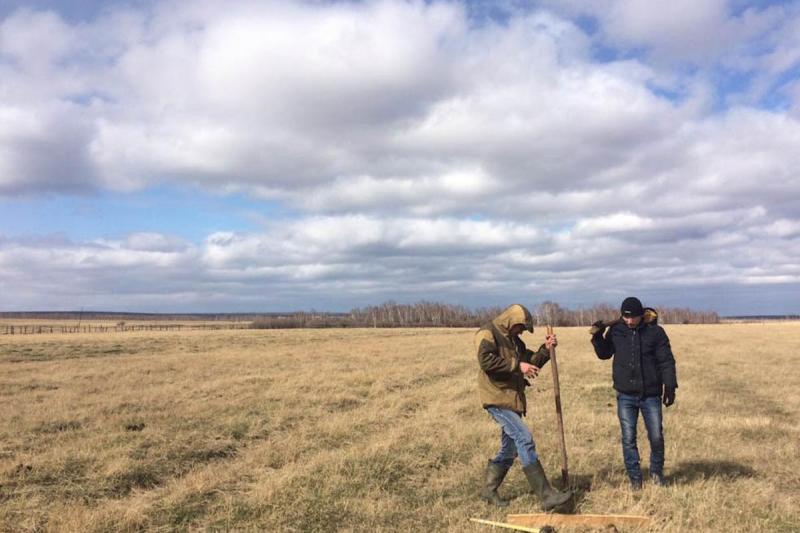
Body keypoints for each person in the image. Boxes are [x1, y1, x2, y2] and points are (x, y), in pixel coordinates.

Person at [476, 303, 572, 509]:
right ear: (513, 322)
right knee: (524, 439)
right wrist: (517, 366)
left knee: (509, 449)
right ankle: (546, 496)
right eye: (521, 328)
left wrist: (545, 350)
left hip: (512, 399)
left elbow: (531, 361)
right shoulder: (488, 333)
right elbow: (486, 361)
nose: (522, 332)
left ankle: (488, 490)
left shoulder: (514, 341)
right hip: (497, 398)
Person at [590, 297, 678, 489]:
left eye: (634, 318)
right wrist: (597, 337)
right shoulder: (616, 331)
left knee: (656, 436)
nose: (629, 321)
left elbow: (666, 361)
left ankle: (656, 473)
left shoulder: (655, 332)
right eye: (626, 317)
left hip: (651, 395)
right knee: (628, 438)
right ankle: (635, 479)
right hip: (625, 395)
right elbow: (604, 354)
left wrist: (670, 386)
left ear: (641, 315)